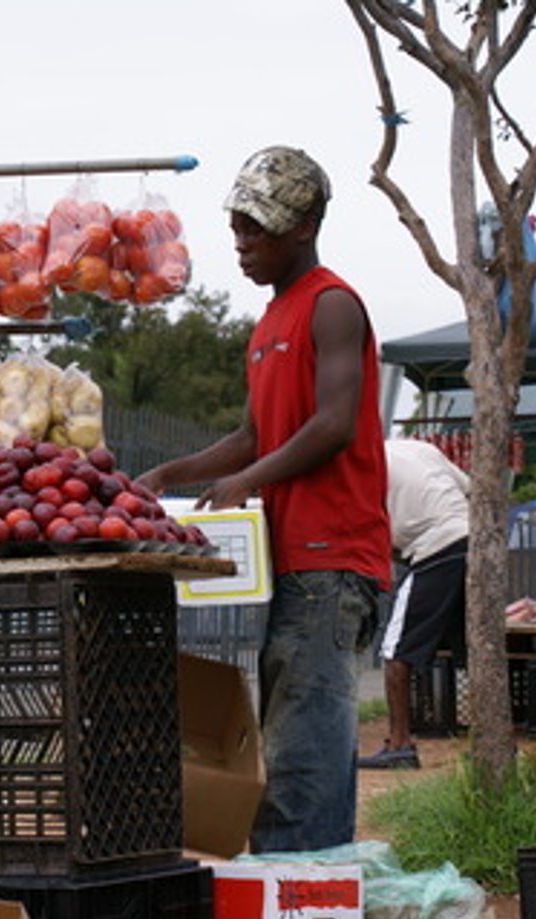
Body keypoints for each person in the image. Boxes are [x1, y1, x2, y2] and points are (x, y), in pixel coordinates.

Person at [136, 145, 390, 854]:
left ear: (305, 226)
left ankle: (300, 898)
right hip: (296, 564)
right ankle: (297, 891)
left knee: (305, 756)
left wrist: (249, 483)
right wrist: (169, 474)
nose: (243, 244)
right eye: (239, 228)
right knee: (291, 738)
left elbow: (334, 425)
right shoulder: (270, 322)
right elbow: (254, 434)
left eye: (259, 230)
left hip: (334, 562)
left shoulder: (332, 305)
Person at [358, 437, 470, 770]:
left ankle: (400, 745)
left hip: (436, 548)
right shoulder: (418, 447)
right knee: (471, 649)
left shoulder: (365, 465)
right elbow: (471, 489)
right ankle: (495, 738)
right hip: (473, 540)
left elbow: (376, 536)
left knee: (395, 652)